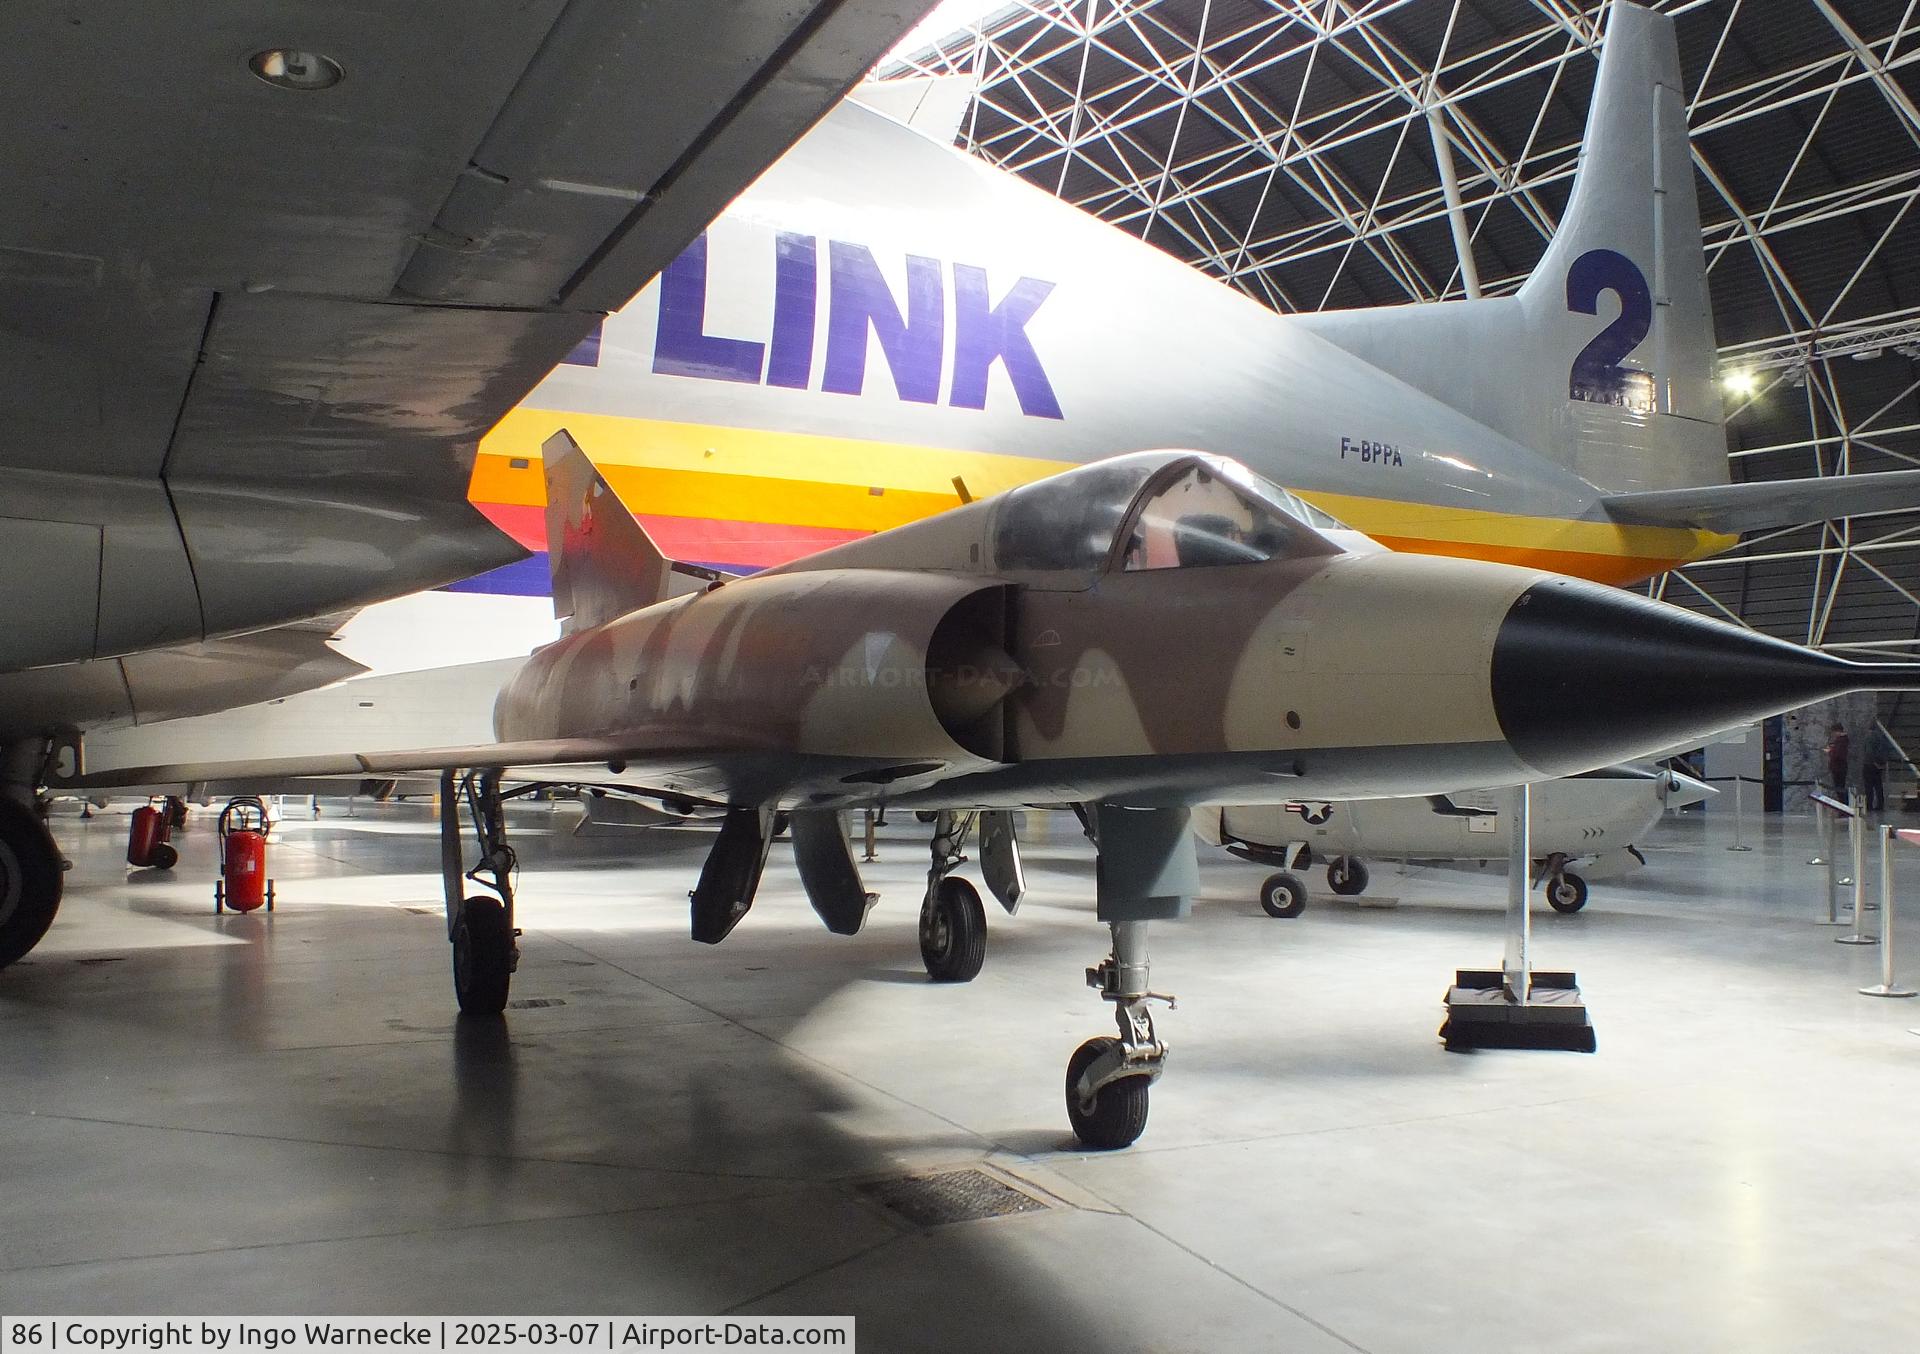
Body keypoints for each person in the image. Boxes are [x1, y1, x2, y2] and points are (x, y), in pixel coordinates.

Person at [1865, 725, 1899, 813]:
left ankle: (1869, 805)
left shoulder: (1869, 737)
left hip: (1870, 765)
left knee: (1869, 786)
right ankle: (1880, 804)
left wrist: (1873, 762)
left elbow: (1869, 752)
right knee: (1878, 786)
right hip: (1880, 765)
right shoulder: (1881, 737)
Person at [1826, 723, 1852, 801]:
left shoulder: (1841, 741)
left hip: (1838, 767)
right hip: (1840, 767)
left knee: (1839, 788)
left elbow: (1838, 755)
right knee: (1840, 787)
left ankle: (1844, 805)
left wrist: (1830, 751)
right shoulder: (1842, 741)